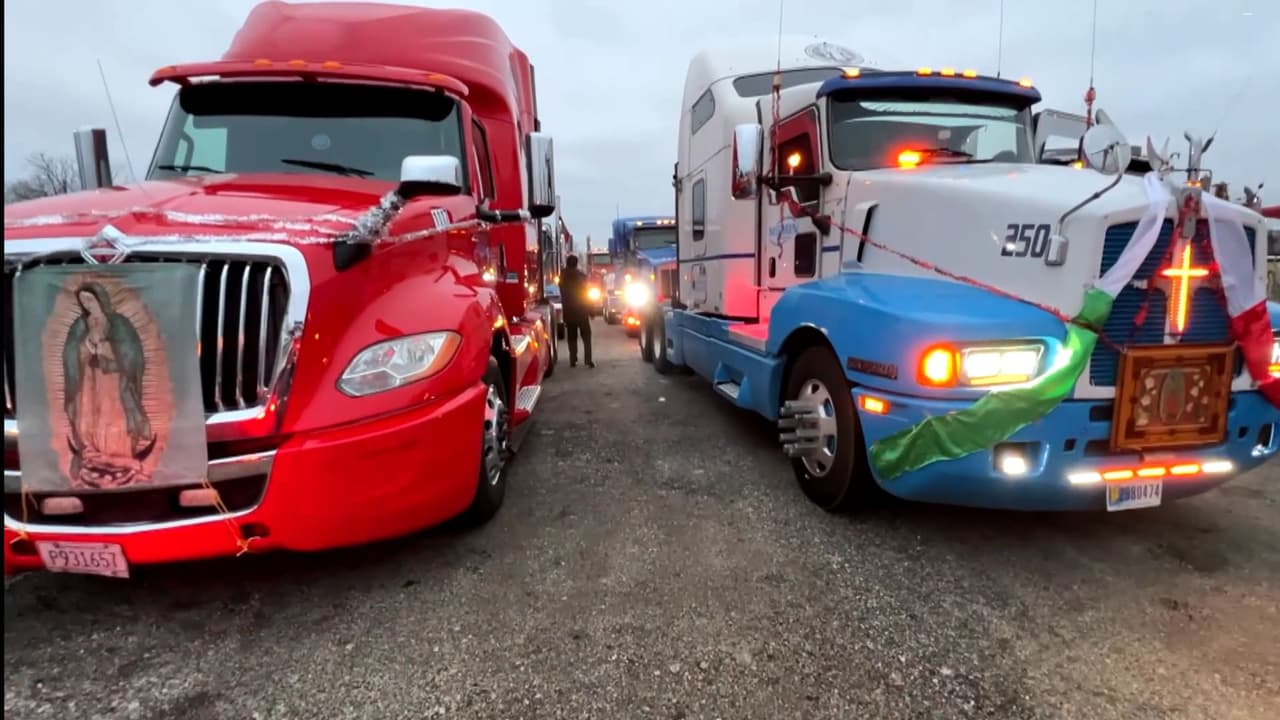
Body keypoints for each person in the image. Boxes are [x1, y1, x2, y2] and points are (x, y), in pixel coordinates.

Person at [557, 254, 594, 368]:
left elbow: (561, 293)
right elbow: (587, 295)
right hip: (582, 311)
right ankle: (588, 360)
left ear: (567, 263)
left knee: (572, 337)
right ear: (576, 263)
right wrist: (591, 310)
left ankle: (573, 359)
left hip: (569, 312)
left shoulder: (562, 277)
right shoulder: (582, 277)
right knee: (586, 336)